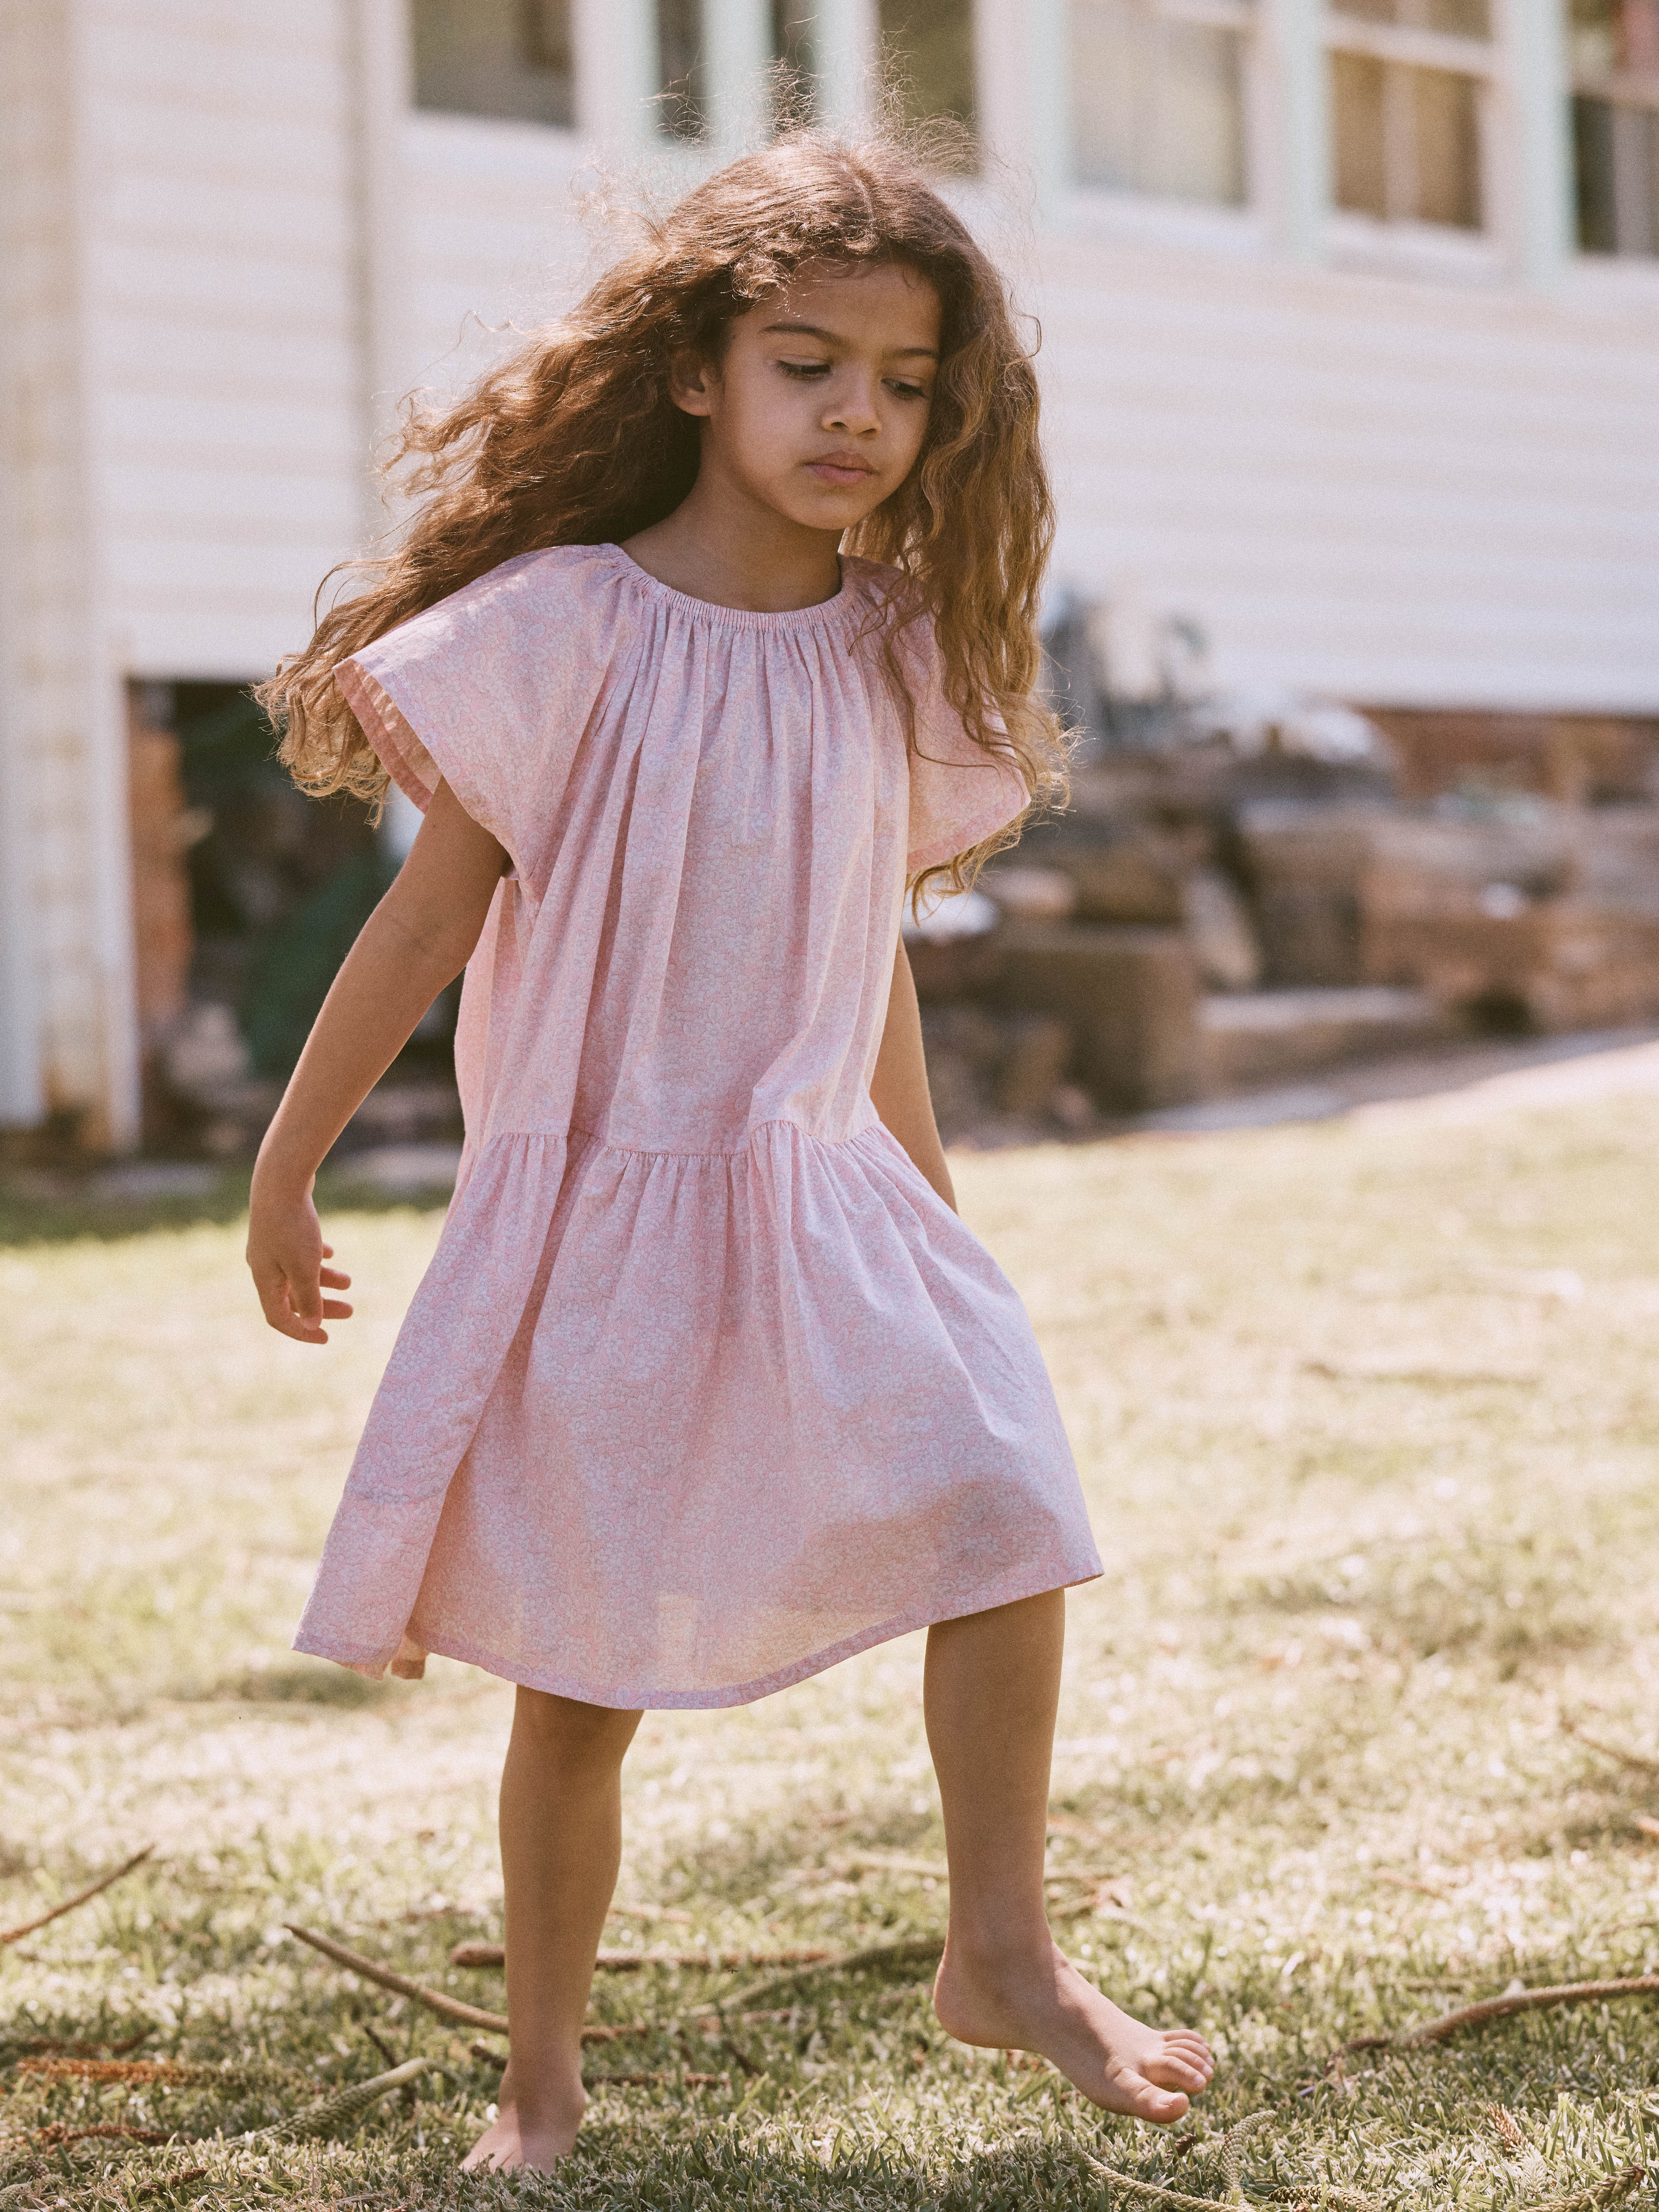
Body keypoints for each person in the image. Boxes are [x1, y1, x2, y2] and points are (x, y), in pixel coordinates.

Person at [248, 130, 1214, 2174]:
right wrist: (286, 1168)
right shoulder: (562, 629)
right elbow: (426, 921)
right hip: (601, 1205)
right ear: (701, 369)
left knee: (1012, 1506)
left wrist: (933, 1219)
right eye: (809, 363)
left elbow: (865, 956)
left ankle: (1002, 1949)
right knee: (581, 1685)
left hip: (819, 1187)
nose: (860, 409)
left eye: (905, 378)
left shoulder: (890, 655)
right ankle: (538, 2088)